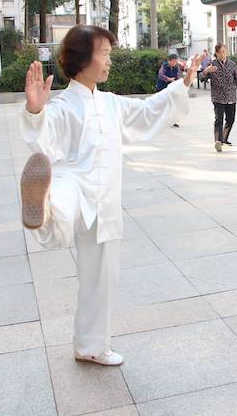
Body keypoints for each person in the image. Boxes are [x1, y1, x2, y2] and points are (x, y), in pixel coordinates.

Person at [19, 25, 203, 366]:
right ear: (81, 58)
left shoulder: (111, 103)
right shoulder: (62, 105)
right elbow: (43, 141)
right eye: (104, 53)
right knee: (63, 195)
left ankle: (90, 346)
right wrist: (35, 113)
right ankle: (45, 207)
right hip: (73, 186)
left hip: (104, 201)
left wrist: (184, 83)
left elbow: (148, 111)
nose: (109, 61)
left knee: (101, 278)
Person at [200, 43, 237, 152]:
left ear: (226, 52)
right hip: (218, 97)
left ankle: (224, 139)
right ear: (216, 53)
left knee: (230, 119)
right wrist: (206, 71)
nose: (222, 54)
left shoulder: (232, 64)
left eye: (224, 52)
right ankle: (218, 141)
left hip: (231, 97)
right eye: (220, 52)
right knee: (219, 119)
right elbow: (201, 78)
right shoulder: (211, 64)